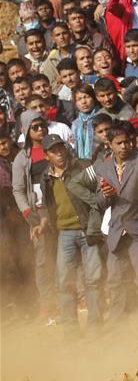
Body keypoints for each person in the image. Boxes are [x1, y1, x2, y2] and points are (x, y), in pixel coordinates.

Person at [94, 121, 138, 317]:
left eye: (127, 142)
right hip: (117, 231)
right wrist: (106, 195)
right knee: (115, 281)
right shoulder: (103, 168)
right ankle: (118, 325)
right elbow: (99, 203)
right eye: (119, 143)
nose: (124, 146)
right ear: (110, 144)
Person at [34, 134, 103, 330]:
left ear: (66, 149)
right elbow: (47, 204)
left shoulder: (82, 166)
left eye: (61, 148)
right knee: (65, 281)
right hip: (64, 232)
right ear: (46, 155)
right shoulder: (46, 177)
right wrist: (43, 222)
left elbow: (99, 191)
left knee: (93, 279)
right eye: (53, 150)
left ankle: (95, 325)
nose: (59, 153)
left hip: (88, 229)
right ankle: (70, 328)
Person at [11, 109, 56, 323]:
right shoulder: (22, 157)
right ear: (26, 130)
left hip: (61, 211)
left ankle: (72, 300)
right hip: (37, 214)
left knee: (66, 257)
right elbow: (18, 189)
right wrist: (28, 213)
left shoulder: (57, 149)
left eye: (42, 126)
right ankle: (47, 305)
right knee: (43, 261)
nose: (40, 130)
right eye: (35, 127)